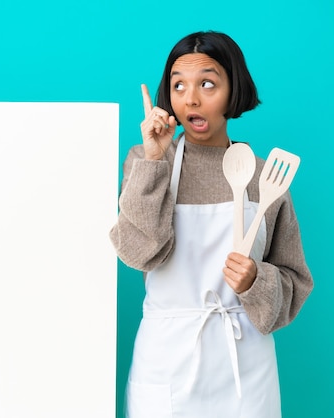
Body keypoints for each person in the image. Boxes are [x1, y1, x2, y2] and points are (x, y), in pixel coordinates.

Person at [109, 31, 313, 418]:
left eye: (207, 83)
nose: (191, 99)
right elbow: (138, 254)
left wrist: (257, 282)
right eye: (178, 85)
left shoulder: (264, 177)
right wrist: (154, 160)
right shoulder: (146, 161)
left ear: (233, 89)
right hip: (167, 359)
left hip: (245, 365)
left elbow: (295, 282)